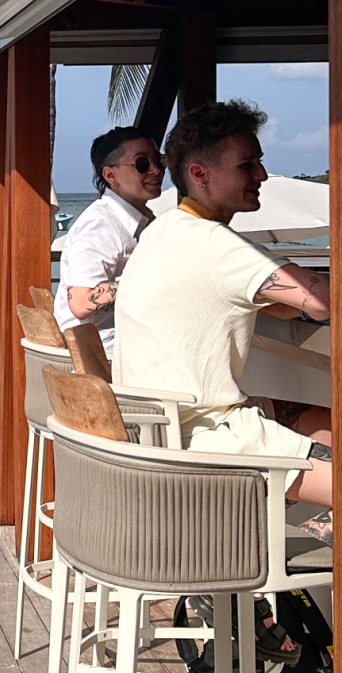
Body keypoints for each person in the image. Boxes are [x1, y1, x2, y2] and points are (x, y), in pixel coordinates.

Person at [114, 98, 331, 516]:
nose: (263, 175)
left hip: (162, 432)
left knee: (324, 421)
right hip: (207, 441)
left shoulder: (162, 231)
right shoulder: (218, 243)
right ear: (200, 175)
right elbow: (321, 301)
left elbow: (268, 303)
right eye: (247, 165)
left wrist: (279, 299)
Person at [55, 126, 165, 354]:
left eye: (159, 161)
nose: (156, 170)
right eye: (142, 164)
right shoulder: (101, 225)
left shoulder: (139, 221)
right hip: (104, 358)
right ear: (110, 175)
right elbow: (82, 302)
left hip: (124, 347)